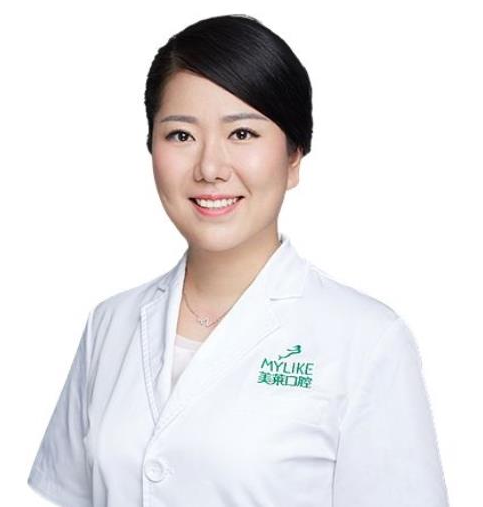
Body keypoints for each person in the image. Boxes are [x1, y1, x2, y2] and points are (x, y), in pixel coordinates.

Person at [27, 14, 449, 507]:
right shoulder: (110, 323)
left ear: (294, 157)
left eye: (243, 134)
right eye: (181, 135)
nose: (210, 168)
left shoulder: (368, 340)